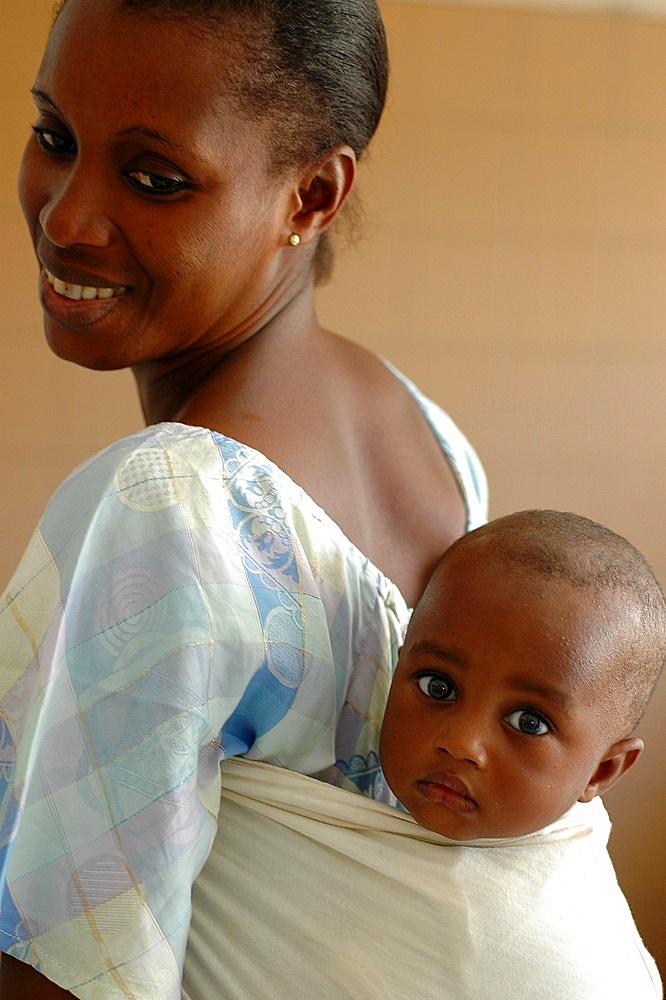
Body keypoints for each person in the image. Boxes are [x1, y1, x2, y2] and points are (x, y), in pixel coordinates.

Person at [0, 0, 488, 997]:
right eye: (55, 136)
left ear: (312, 194)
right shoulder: (429, 432)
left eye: (153, 178)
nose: (67, 216)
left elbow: (67, 967)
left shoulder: (170, 505)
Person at [181, 510, 664, 999]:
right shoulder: (282, 806)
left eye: (529, 723)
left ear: (602, 771)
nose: (462, 742)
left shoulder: (581, 957)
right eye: (439, 686)